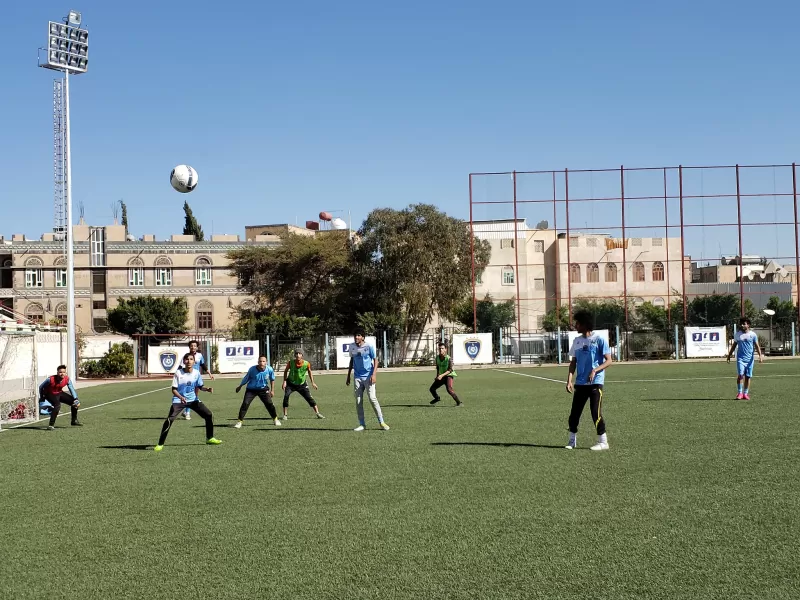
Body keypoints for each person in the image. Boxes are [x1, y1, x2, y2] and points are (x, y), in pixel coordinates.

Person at [564, 310, 612, 451]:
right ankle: (572, 441)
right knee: (574, 414)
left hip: (595, 382)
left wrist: (595, 370)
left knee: (595, 412)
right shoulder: (577, 341)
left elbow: (609, 361)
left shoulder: (599, 339)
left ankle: (603, 442)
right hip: (580, 383)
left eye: (578, 323)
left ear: (585, 324)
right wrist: (569, 380)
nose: (576, 325)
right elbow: (573, 362)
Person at [155, 353, 221, 452]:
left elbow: (199, 386)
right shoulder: (178, 373)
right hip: (179, 400)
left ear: (194, 362)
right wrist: (181, 397)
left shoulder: (196, 373)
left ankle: (210, 438)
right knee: (169, 420)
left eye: (191, 359)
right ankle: (160, 444)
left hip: (193, 400)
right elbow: (174, 389)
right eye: (187, 359)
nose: (189, 361)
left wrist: (206, 389)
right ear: (184, 361)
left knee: (208, 414)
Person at [346, 329, 389, 431]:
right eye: (355, 335)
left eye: (359, 335)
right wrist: (348, 376)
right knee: (358, 401)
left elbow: (375, 360)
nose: (356, 337)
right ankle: (362, 424)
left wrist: (374, 375)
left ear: (363, 337)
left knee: (372, 399)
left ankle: (382, 422)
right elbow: (352, 360)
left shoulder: (369, 346)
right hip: (357, 377)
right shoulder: (352, 347)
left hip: (368, 376)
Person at [234, 355, 282, 428]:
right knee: (245, 404)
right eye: (260, 361)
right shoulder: (252, 369)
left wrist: (272, 390)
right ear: (258, 362)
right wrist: (240, 386)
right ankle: (239, 422)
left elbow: (272, 379)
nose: (262, 363)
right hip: (251, 389)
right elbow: (246, 378)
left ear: (266, 362)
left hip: (263, 389)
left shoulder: (270, 369)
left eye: (263, 361)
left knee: (269, 404)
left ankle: (275, 419)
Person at [726, 317, 763, 400]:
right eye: (741, 323)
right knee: (740, 375)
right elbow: (734, 345)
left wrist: (760, 356)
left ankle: (745, 394)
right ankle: (739, 393)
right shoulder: (738, 334)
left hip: (750, 359)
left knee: (748, 376)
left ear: (748, 325)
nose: (742, 325)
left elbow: (757, 346)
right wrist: (729, 355)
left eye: (744, 324)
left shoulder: (753, 335)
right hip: (740, 359)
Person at [281, 350, 324, 420]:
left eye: (299, 353)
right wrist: (284, 381)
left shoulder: (306, 364)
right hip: (291, 383)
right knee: (286, 396)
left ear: (302, 355)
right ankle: (285, 415)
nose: (298, 355)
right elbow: (285, 371)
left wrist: (313, 382)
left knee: (309, 398)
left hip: (302, 384)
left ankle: (318, 413)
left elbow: (310, 372)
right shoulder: (291, 363)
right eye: (296, 354)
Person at [39, 364, 82, 430]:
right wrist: (42, 397)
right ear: (57, 372)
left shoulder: (67, 379)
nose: (62, 374)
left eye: (64, 372)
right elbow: (41, 387)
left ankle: (74, 421)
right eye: (60, 372)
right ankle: (51, 425)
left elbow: (71, 389)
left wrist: (76, 398)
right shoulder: (50, 379)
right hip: (49, 394)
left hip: (59, 393)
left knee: (74, 402)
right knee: (57, 405)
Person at [182, 340, 214, 421]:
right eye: (192, 346)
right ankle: (187, 413)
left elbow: (203, 365)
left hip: (196, 377)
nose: (193, 347)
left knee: (195, 395)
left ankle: (186, 411)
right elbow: (181, 367)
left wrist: (209, 373)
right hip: (188, 377)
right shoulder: (186, 356)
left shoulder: (199, 355)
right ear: (189, 347)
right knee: (188, 394)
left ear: (197, 347)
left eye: (195, 346)